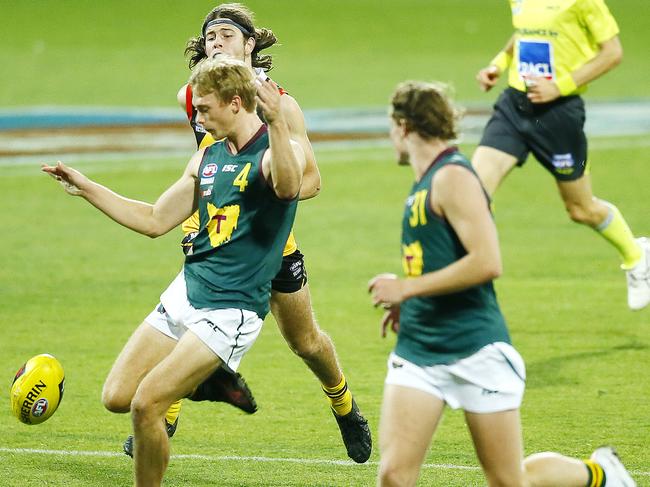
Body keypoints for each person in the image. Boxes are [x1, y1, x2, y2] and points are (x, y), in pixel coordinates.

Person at [123, 2, 371, 464]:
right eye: (209, 37)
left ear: (250, 44)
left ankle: (343, 404)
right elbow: (204, 160)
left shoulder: (281, 104)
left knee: (306, 342)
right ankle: (164, 412)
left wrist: (265, 198)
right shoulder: (192, 96)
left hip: (268, 246)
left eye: (226, 36)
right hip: (214, 238)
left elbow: (311, 180)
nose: (216, 43)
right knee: (189, 319)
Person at [44, 58, 304, 487]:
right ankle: (205, 381)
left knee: (146, 406)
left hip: (231, 310)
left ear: (235, 103)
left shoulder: (275, 151)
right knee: (116, 397)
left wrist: (276, 122)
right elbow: (153, 219)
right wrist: (85, 186)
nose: (197, 119)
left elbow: (288, 186)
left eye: (204, 109)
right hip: (187, 290)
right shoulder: (207, 157)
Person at [368, 80, 636, 487]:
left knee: (510, 481)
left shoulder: (453, 177)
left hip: (475, 348)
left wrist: (407, 289)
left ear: (404, 126)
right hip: (421, 351)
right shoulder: (424, 182)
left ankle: (600, 474)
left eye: (392, 127)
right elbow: (442, 258)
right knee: (393, 474)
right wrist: (411, 297)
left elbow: (487, 262)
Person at [472, 0, 650, 311]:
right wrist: (498, 64)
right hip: (515, 107)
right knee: (473, 193)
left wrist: (560, 86)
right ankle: (469, 287)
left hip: (558, 114)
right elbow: (526, 33)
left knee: (581, 209)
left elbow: (612, 53)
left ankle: (637, 256)